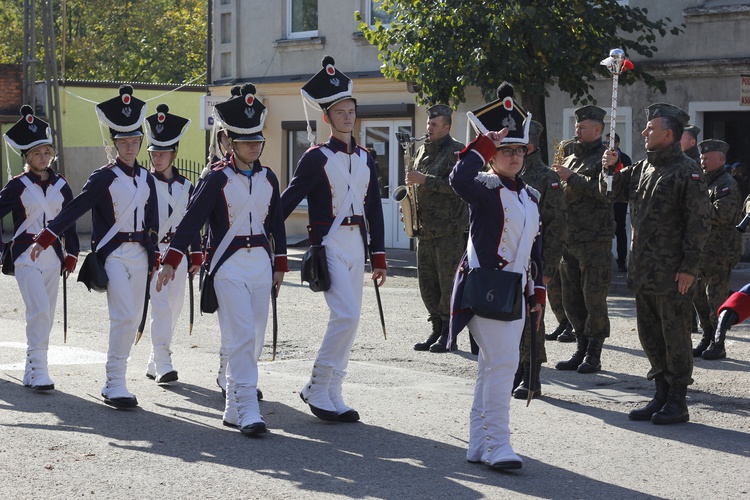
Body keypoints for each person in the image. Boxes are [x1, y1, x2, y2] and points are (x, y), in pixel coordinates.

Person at [155, 83, 287, 436]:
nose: (253, 146)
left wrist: (280, 263)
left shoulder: (268, 177)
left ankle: (233, 408)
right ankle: (246, 406)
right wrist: (171, 258)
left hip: (260, 264)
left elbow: (276, 224)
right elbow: (191, 221)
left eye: (257, 140)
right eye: (246, 141)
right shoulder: (215, 177)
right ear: (230, 140)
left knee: (255, 336)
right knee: (242, 334)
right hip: (227, 266)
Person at [31, 85, 158, 409]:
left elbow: (152, 219)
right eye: (123, 142)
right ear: (114, 143)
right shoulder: (102, 177)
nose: (130, 147)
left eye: (134, 141)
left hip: (141, 254)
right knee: (123, 316)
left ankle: (117, 378)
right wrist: (48, 235)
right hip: (113, 254)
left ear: (141, 142)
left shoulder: (146, 178)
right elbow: (75, 209)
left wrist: (156, 252)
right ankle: (114, 382)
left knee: (135, 318)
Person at [282, 55, 387, 423]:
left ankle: (333, 389)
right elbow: (287, 202)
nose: (347, 116)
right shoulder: (315, 157)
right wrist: (265, 237)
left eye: (351, 109)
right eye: (340, 111)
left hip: (357, 242)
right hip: (328, 243)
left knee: (353, 318)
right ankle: (315, 384)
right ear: (327, 118)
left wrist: (379, 255)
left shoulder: (365, 158)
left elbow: (374, 207)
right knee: (345, 314)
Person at [449, 83, 544, 470]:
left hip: (516, 292)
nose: (514, 157)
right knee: (504, 364)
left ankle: (478, 443)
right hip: (486, 288)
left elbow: (537, 250)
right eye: (506, 150)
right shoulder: (485, 188)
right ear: (494, 156)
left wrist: (538, 293)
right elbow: (457, 179)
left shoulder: (531, 196)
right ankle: (498, 446)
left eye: (519, 150)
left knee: (493, 366)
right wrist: (482, 145)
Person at [602, 102, 711, 424]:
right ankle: (660, 393)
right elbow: (610, 194)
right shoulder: (642, 168)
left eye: (651, 128)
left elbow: (699, 224)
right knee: (650, 335)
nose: (644, 132)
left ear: (668, 134)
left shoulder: (687, 171)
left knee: (674, 334)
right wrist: (608, 169)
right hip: (644, 269)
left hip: (673, 272)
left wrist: (689, 267)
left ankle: (678, 399)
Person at [1, 105, 79, 391]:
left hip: (53, 257)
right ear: (27, 156)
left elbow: (69, 221)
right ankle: (40, 370)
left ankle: (31, 367)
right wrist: (2, 249)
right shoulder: (17, 185)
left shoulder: (62, 185)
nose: (43, 157)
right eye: (37, 153)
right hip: (24, 254)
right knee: (39, 311)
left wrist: (72, 253)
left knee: (45, 312)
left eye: (47, 152)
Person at [143, 104, 202, 384]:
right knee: (161, 306)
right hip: (155, 253)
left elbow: (194, 222)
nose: (158, 158)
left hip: (179, 254)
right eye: (154, 153)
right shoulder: (142, 183)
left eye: (163, 153)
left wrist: (196, 253)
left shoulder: (187, 186)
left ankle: (155, 360)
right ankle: (164, 359)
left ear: (174, 153)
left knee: (175, 307)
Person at [551, 105, 612, 374]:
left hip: (594, 240)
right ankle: (580, 346)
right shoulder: (571, 157)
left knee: (593, 297)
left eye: (583, 126)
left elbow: (606, 192)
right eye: (577, 126)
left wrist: (572, 178)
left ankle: (594, 353)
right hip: (569, 237)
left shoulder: (607, 158)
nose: (577, 130)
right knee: (571, 297)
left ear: (598, 130)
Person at [408, 104, 468, 353]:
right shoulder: (422, 151)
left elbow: (460, 185)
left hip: (449, 232)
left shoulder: (457, 152)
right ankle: (435, 326)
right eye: (428, 124)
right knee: (427, 284)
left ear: (447, 127)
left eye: (434, 125)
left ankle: (448, 332)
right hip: (425, 229)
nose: (429, 128)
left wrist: (425, 181)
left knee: (448, 285)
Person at [513, 119, 565, 399]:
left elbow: (557, 225)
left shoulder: (547, 177)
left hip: (534, 262)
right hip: (509, 260)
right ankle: (517, 369)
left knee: (532, 319)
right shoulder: (507, 172)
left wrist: (548, 269)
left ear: (528, 145)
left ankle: (532, 376)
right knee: (510, 317)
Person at [691, 139, 742, 360]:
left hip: (720, 252)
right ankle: (707, 336)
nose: (703, 161)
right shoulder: (702, 182)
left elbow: (721, 215)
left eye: (707, 157)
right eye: (701, 157)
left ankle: (718, 342)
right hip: (701, 251)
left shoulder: (726, 184)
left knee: (716, 299)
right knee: (698, 296)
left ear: (720, 160)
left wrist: (693, 206)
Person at [605, 132, 632, 273]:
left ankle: (621, 261)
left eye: (611, 142)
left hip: (619, 201)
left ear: (617, 143)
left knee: (620, 230)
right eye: (606, 142)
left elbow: (626, 176)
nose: (608, 145)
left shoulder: (625, 158)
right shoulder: (603, 158)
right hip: (605, 201)